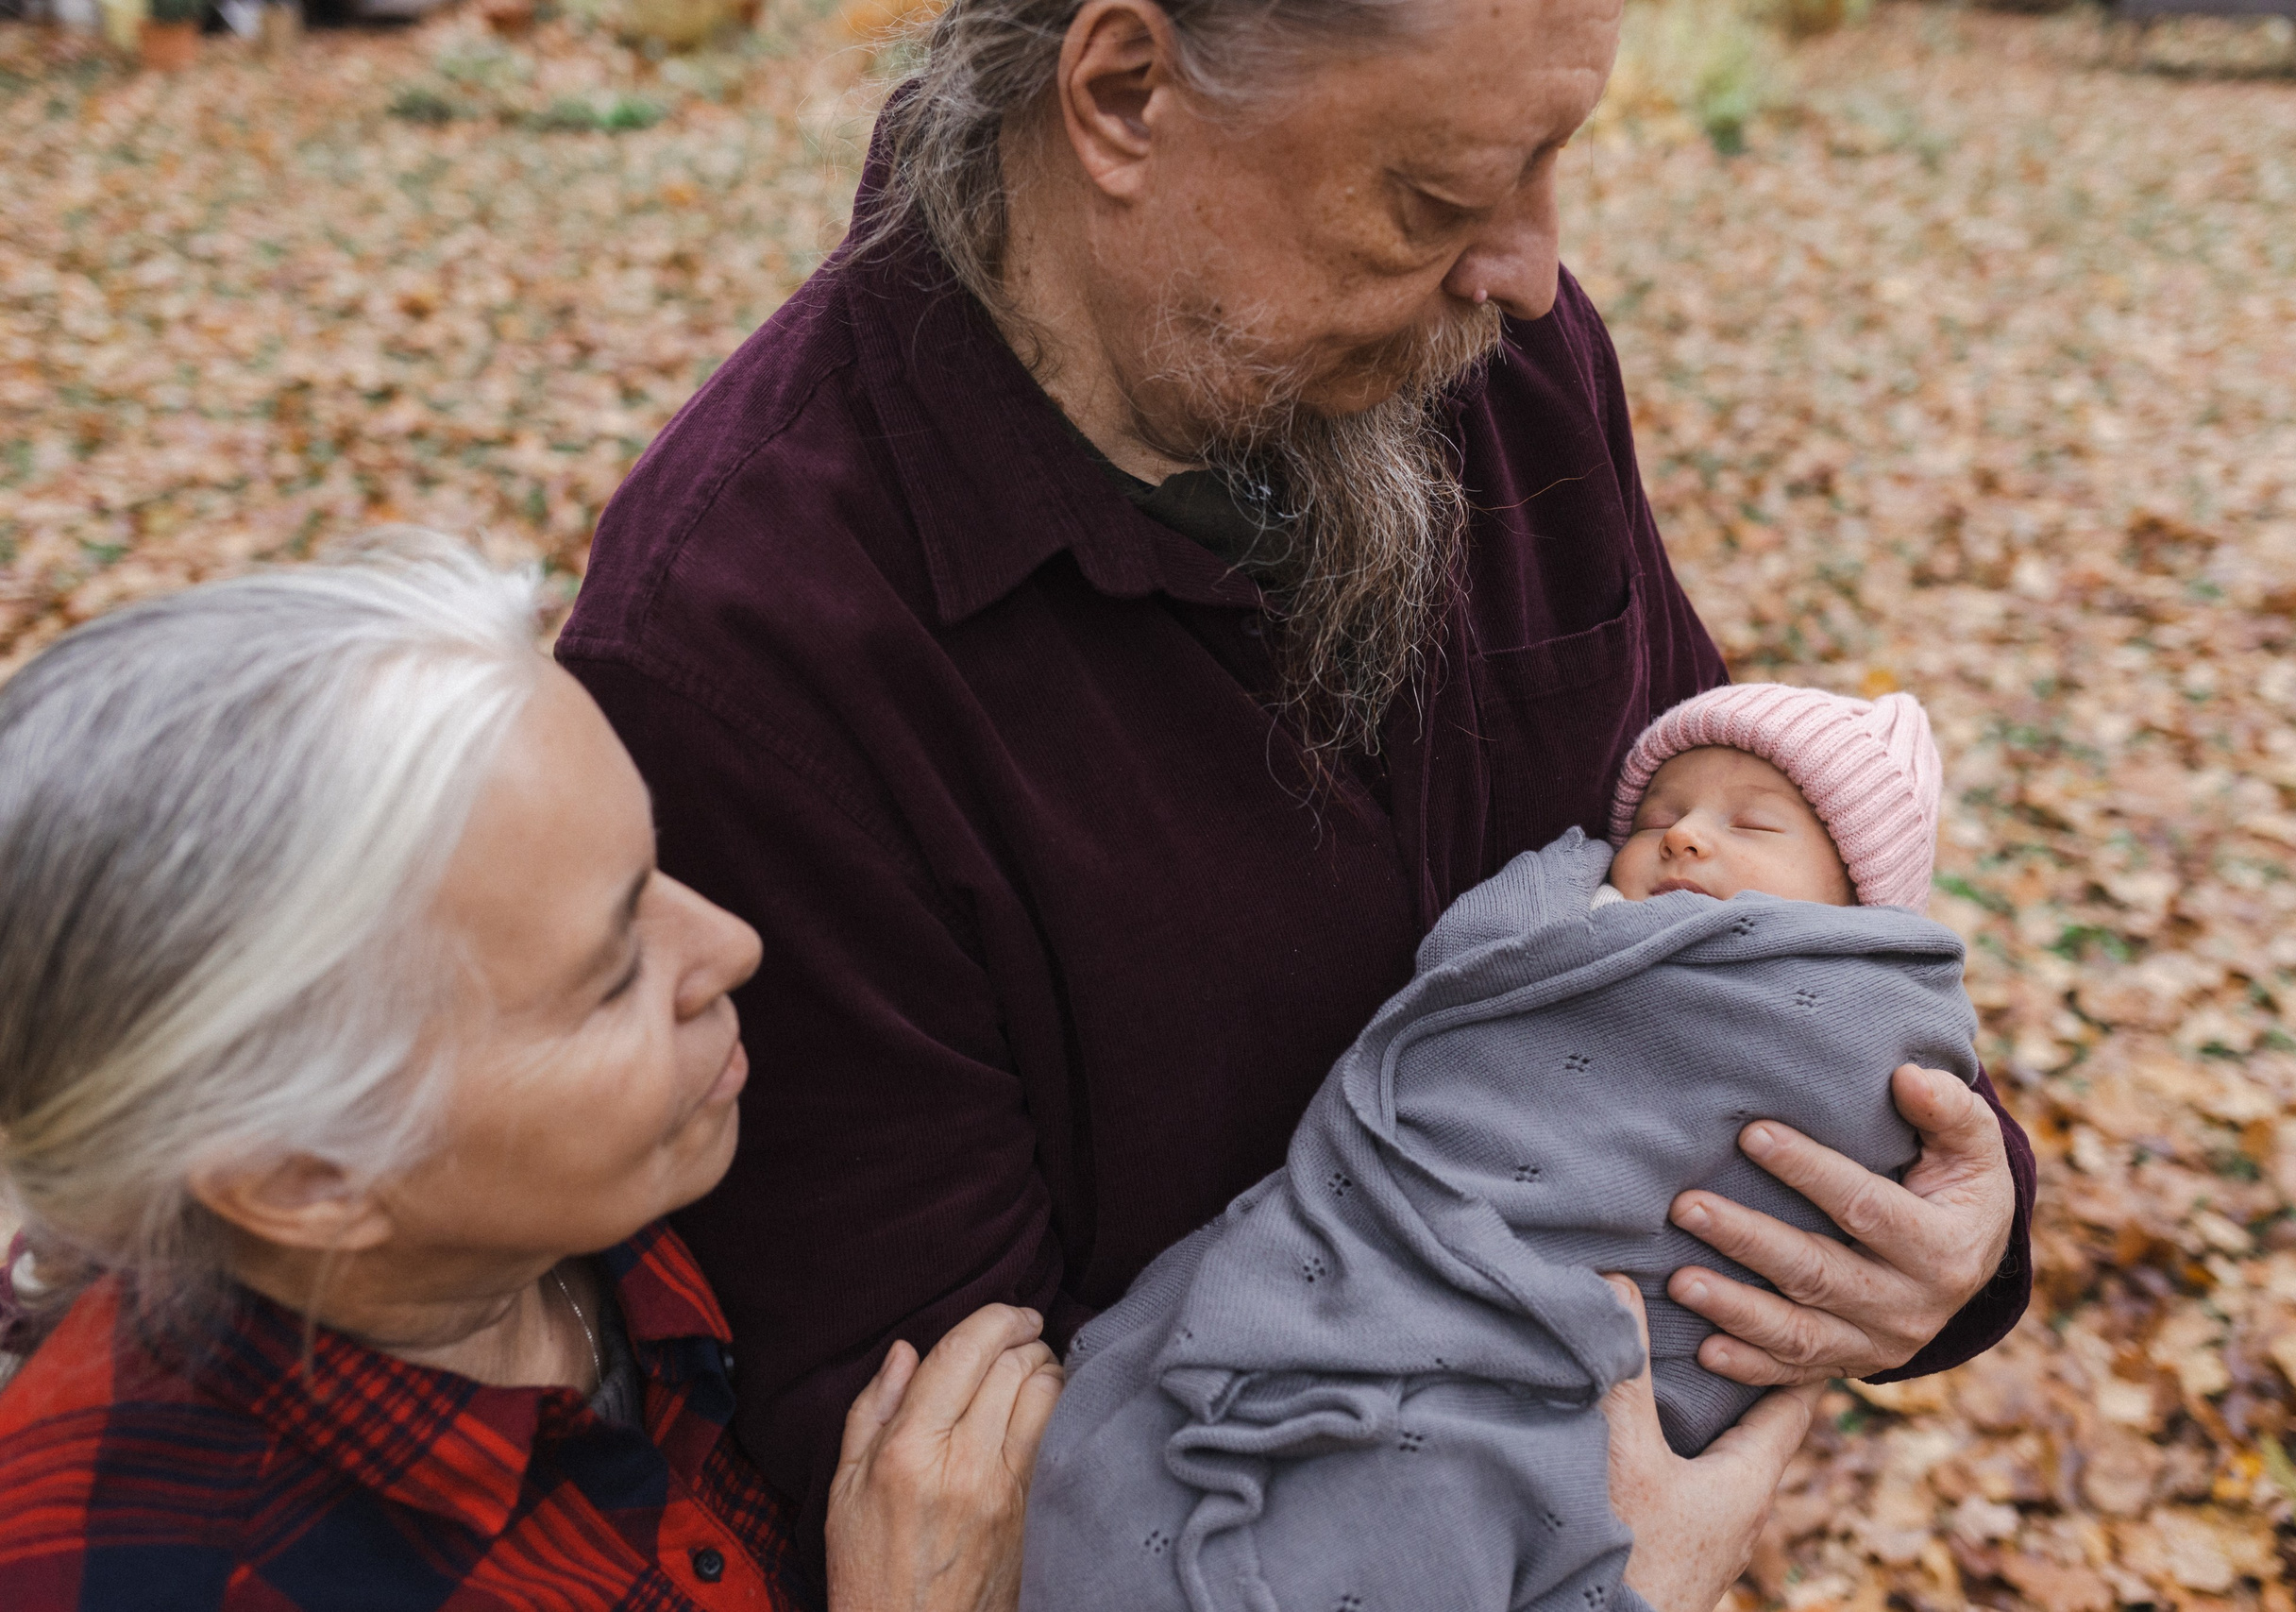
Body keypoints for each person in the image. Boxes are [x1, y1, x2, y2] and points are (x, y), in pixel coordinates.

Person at [557, 0, 2038, 1599]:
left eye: (1552, 162)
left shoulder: (1502, 363)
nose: (1533, 271)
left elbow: (1759, 909)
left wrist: (1952, 1228)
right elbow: (966, 1487)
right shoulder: (749, 650)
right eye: (1437, 195)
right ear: (1126, 94)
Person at [0, 538, 1056, 1612]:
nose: (733, 945)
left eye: (652, 866)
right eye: (611, 972)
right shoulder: (154, 1572)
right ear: (308, 1176)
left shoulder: (587, 1205)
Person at [1021, 683, 1981, 1612]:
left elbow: (1900, 1099)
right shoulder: (1573, 919)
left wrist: (1982, 1216)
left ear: (1861, 908)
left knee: (1455, 1471)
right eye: (1659, 814)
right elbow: (1471, 970)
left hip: (1604, 1322)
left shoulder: (1850, 1003)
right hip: (1402, 1231)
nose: (1684, 835)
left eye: (1754, 825)